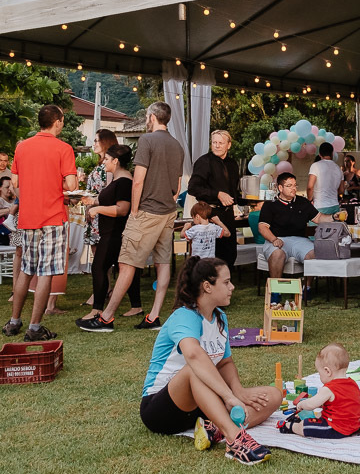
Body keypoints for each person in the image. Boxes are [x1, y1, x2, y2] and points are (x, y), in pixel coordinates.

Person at [139, 257, 282, 465]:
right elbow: (194, 356)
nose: (232, 287)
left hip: (200, 406)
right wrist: (228, 397)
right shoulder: (185, 316)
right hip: (160, 410)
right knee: (193, 370)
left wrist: (239, 391)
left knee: (273, 395)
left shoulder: (220, 317)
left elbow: (225, 363)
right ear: (207, 286)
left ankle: (212, 428)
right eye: (226, 282)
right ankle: (234, 439)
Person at [83, 101, 184, 333]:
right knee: (163, 263)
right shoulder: (177, 145)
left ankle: (106, 317)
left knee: (127, 262)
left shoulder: (147, 141)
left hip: (147, 210)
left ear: (151, 117)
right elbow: (177, 185)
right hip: (169, 211)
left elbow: (137, 180)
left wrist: (135, 210)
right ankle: (155, 316)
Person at [3, 105, 78, 342]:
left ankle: (14, 321)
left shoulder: (22, 147)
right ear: (57, 122)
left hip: (28, 216)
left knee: (26, 268)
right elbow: (72, 185)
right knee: (46, 272)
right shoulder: (64, 148)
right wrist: (61, 185)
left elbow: (14, 183)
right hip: (53, 216)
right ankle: (34, 327)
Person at [75, 144, 136, 327]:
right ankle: (124, 306)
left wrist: (97, 209)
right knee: (106, 267)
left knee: (99, 267)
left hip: (115, 233)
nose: (104, 162)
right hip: (109, 232)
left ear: (116, 161)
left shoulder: (124, 181)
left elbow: (122, 209)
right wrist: (93, 201)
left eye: (107, 159)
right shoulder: (117, 179)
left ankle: (97, 310)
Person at [277, 343, 360, 438]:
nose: (320, 377)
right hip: (353, 426)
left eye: (320, 374)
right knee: (317, 416)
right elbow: (343, 403)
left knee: (305, 425)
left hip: (336, 428)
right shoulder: (353, 384)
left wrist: (301, 404)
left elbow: (311, 405)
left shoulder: (329, 388)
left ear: (327, 371)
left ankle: (289, 427)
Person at [257, 172, 336, 278]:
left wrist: (334, 217)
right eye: (289, 186)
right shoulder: (270, 204)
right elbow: (262, 227)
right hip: (276, 239)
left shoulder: (303, 202)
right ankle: (276, 291)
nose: (293, 188)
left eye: (295, 185)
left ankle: (306, 288)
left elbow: (318, 218)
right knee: (277, 254)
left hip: (300, 240)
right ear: (280, 188)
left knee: (313, 254)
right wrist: (274, 239)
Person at [187, 129, 242, 268]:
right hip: (209, 214)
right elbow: (193, 188)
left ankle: (224, 285)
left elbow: (234, 190)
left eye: (221, 143)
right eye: (214, 142)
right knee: (210, 257)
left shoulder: (233, 164)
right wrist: (217, 194)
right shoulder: (203, 162)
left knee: (229, 254)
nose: (217, 146)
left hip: (228, 214)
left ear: (228, 145)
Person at [306, 142, 343, 215]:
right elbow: (341, 190)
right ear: (332, 153)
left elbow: (310, 187)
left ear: (319, 154)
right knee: (333, 226)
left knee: (316, 227)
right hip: (335, 206)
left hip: (320, 206)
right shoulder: (338, 169)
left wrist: (309, 200)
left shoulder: (315, 166)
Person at [0, 177, 18, 245]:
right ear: (0, 188)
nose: (10, 190)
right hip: (7, 234)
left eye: (11, 187)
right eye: (7, 187)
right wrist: (10, 210)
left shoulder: (14, 200)